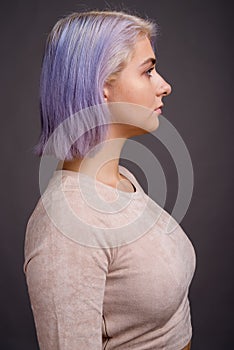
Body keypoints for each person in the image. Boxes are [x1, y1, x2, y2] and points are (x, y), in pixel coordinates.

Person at [24, 10, 196, 350]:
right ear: (102, 86)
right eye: (148, 71)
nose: (164, 86)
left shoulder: (122, 181)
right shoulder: (66, 226)